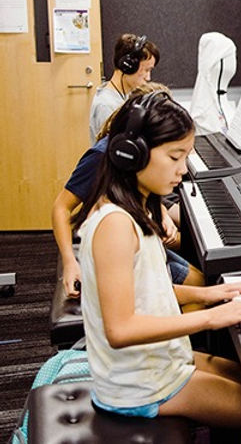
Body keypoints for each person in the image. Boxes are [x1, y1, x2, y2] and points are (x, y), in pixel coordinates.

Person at [70, 91, 241, 441]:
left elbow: (147, 289)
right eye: (175, 157)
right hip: (137, 387)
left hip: (155, 365)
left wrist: (207, 293)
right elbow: (120, 329)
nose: (183, 169)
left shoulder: (133, 207)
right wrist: (211, 316)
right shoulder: (115, 224)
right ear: (133, 155)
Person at [53, 83, 202, 299]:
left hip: (140, 236)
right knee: (200, 279)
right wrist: (69, 261)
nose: (182, 167)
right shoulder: (101, 156)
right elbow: (60, 207)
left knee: (200, 273)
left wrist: (159, 211)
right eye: (174, 157)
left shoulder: (133, 168)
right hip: (119, 250)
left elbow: (133, 188)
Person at [89, 33, 160, 144]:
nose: (148, 78)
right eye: (147, 70)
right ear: (128, 67)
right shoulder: (107, 106)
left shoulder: (125, 95)